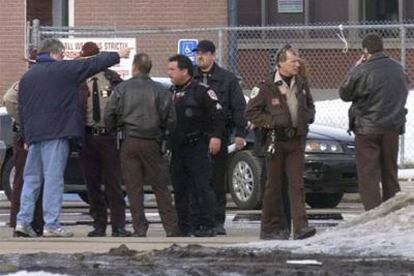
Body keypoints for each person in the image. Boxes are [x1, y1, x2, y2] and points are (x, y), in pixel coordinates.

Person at [15, 38, 130, 237]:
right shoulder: (63, 70)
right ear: (54, 53)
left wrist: (26, 134)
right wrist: (118, 55)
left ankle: (23, 221)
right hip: (57, 132)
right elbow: (92, 63)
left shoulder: (28, 76)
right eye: (60, 54)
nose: (62, 58)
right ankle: (52, 225)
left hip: (34, 135)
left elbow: (22, 108)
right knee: (53, 179)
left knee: (31, 179)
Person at [105, 53, 180, 237]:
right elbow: (171, 119)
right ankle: (171, 227)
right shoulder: (161, 91)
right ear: (149, 68)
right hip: (152, 141)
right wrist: (164, 134)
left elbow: (109, 115)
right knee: (160, 186)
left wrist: (115, 130)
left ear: (134, 67)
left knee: (133, 187)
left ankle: (139, 227)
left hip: (129, 140)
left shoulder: (122, 89)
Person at [246, 44, 316, 240]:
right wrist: (271, 122)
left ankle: (301, 227)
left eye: (297, 60)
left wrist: (306, 118)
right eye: (292, 61)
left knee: (297, 184)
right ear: (280, 64)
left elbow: (310, 106)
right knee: (273, 186)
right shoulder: (265, 86)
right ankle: (270, 228)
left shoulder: (301, 83)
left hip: (296, 140)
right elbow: (251, 112)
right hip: (275, 141)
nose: (296, 64)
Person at [339, 33, 409, 211]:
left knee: (368, 174)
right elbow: (404, 90)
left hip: (367, 128)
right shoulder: (398, 68)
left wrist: (354, 68)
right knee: (390, 173)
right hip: (391, 127)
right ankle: (393, 210)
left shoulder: (361, 69)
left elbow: (345, 93)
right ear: (382, 47)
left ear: (365, 51)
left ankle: (373, 212)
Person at [192, 40, 248, 235]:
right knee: (197, 180)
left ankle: (217, 221)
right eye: (197, 53)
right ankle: (199, 220)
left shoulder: (226, 79)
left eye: (204, 53)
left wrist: (240, 133)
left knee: (216, 180)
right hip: (195, 136)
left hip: (219, 135)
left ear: (213, 55)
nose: (200, 56)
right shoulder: (191, 76)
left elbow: (238, 107)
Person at [77, 42, 131, 237]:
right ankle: (98, 223)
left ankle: (118, 225)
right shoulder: (79, 80)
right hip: (87, 136)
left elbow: (122, 106)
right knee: (92, 184)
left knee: (113, 183)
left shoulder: (112, 79)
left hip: (108, 136)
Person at [168, 54, 225, 237]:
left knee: (201, 186)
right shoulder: (171, 92)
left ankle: (206, 224)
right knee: (180, 188)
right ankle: (184, 225)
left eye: (172, 69)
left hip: (197, 146)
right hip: (177, 148)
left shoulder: (201, 91)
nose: (169, 73)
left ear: (184, 71)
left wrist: (216, 137)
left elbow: (218, 115)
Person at [3, 50, 44, 236]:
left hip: (30, 134)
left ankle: (33, 222)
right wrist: (23, 122)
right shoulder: (28, 81)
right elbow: (9, 99)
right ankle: (21, 221)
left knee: (30, 180)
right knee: (24, 180)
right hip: (26, 137)